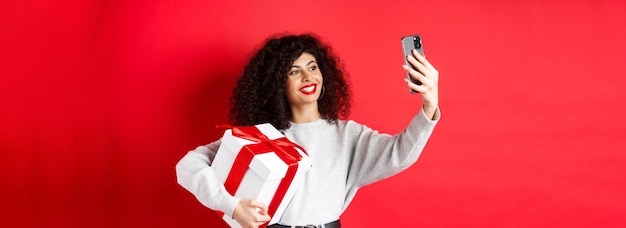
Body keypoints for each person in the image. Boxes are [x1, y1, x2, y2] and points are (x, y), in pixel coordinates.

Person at [176, 33, 440, 228]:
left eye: (312, 67)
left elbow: (400, 153)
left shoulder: (347, 135)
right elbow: (187, 167)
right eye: (294, 71)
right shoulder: (259, 136)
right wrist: (232, 207)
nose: (307, 77)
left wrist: (429, 105)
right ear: (276, 84)